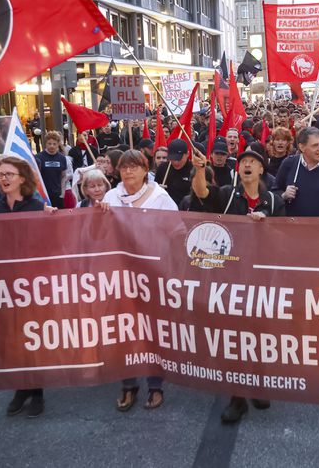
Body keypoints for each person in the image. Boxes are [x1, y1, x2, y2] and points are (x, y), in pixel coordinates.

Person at [190, 148, 283, 422]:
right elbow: (202, 193)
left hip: (263, 278)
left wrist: (266, 226)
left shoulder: (274, 201)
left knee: (260, 334)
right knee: (235, 336)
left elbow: (288, 236)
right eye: (243, 162)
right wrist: (198, 169)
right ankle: (237, 397)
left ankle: (258, 384)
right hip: (230, 276)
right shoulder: (228, 195)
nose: (247, 165)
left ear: (261, 170)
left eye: (252, 162)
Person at [102, 150, 175, 410]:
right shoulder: (110, 197)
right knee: (125, 329)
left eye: (134, 167)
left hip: (152, 273)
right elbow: (99, 234)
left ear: (146, 170)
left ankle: (155, 385)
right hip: (120, 273)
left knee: (152, 330)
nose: (129, 172)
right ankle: (128, 384)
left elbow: (177, 231)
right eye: (124, 167)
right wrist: (101, 215)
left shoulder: (160, 197)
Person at [0, 156, 48, 417]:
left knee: (32, 336)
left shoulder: (37, 207)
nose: (4, 178)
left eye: (9, 174)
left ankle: (37, 392)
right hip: (5, 283)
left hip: (32, 283)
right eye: (1, 174)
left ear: (22, 178)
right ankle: (20, 387)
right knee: (12, 338)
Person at [272, 127, 319, 217]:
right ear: (302, 147)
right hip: (294, 228)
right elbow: (274, 193)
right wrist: (284, 195)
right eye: (315, 145)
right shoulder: (289, 164)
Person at [154, 139, 193, 206]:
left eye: (179, 159)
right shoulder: (163, 168)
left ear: (187, 154)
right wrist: (158, 190)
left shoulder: (193, 170)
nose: (176, 162)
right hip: (167, 208)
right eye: (173, 158)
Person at [35, 130, 68, 208]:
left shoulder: (62, 158)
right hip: (43, 195)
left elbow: (64, 176)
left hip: (57, 195)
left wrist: (62, 193)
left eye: (54, 144)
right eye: (49, 143)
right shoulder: (39, 157)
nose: (52, 146)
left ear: (58, 144)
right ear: (45, 144)